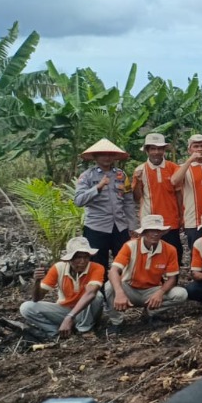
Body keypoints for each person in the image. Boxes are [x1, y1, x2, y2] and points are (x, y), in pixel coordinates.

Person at [104, 215, 189, 335]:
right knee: (109, 286)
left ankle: (150, 313)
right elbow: (113, 271)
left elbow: (172, 278)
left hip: (152, 291)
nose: (154, 234)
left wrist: (160, 293)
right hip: (130, 288)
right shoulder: (130, 246)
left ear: (162, 232)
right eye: (151, 230)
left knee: (181, 294)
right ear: (143, 232)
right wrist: (119, 292)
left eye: (158, 230)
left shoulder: (169, 249)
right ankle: (117, 322)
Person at [20, 237, 105, 338]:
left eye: (86, 257)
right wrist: (37, 281)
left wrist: (69, 317)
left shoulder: (97, 268)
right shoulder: (58, 268)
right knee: (27, 307)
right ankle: (55, 332)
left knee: (97, 295)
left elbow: (91, 293)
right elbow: (36, 298)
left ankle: (84, 329)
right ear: (70, 259)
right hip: (64, 310)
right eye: (78, 257)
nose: (82, 261)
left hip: (86, 313)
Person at [74, 139, 137, 272]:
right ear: (95, 157)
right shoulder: (87, 176)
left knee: (124, 262)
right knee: (97, 264)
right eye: (103, 154)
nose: (107, 157)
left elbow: (128, 201)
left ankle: (121, 290)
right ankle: (100, 291)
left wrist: (132, 225)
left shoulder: (121, 175)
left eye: (110, 154)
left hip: (119, 226)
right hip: (96, 227)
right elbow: (79, 200)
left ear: (114, 157)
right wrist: (98, 187)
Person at [132, 133, 184, 263]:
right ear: (147, 151)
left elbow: (178, 194)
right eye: (153, 149)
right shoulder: (140, 170)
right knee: (150, 252)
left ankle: (172, 280)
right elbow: (136, 197)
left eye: (159, 148)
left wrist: (181, 215)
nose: (156, 152)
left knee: (174, 251)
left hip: (170, 218)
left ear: (164, 150)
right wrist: (137, 182)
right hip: (149, 218)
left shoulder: (173, 167)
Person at [171, 134, 202, 250]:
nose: (199, 149)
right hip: (193, 220)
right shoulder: (183, 168)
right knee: (197, 254)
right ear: (189, 150)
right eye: (195, 146)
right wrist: (190, 160)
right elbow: (174, 181)